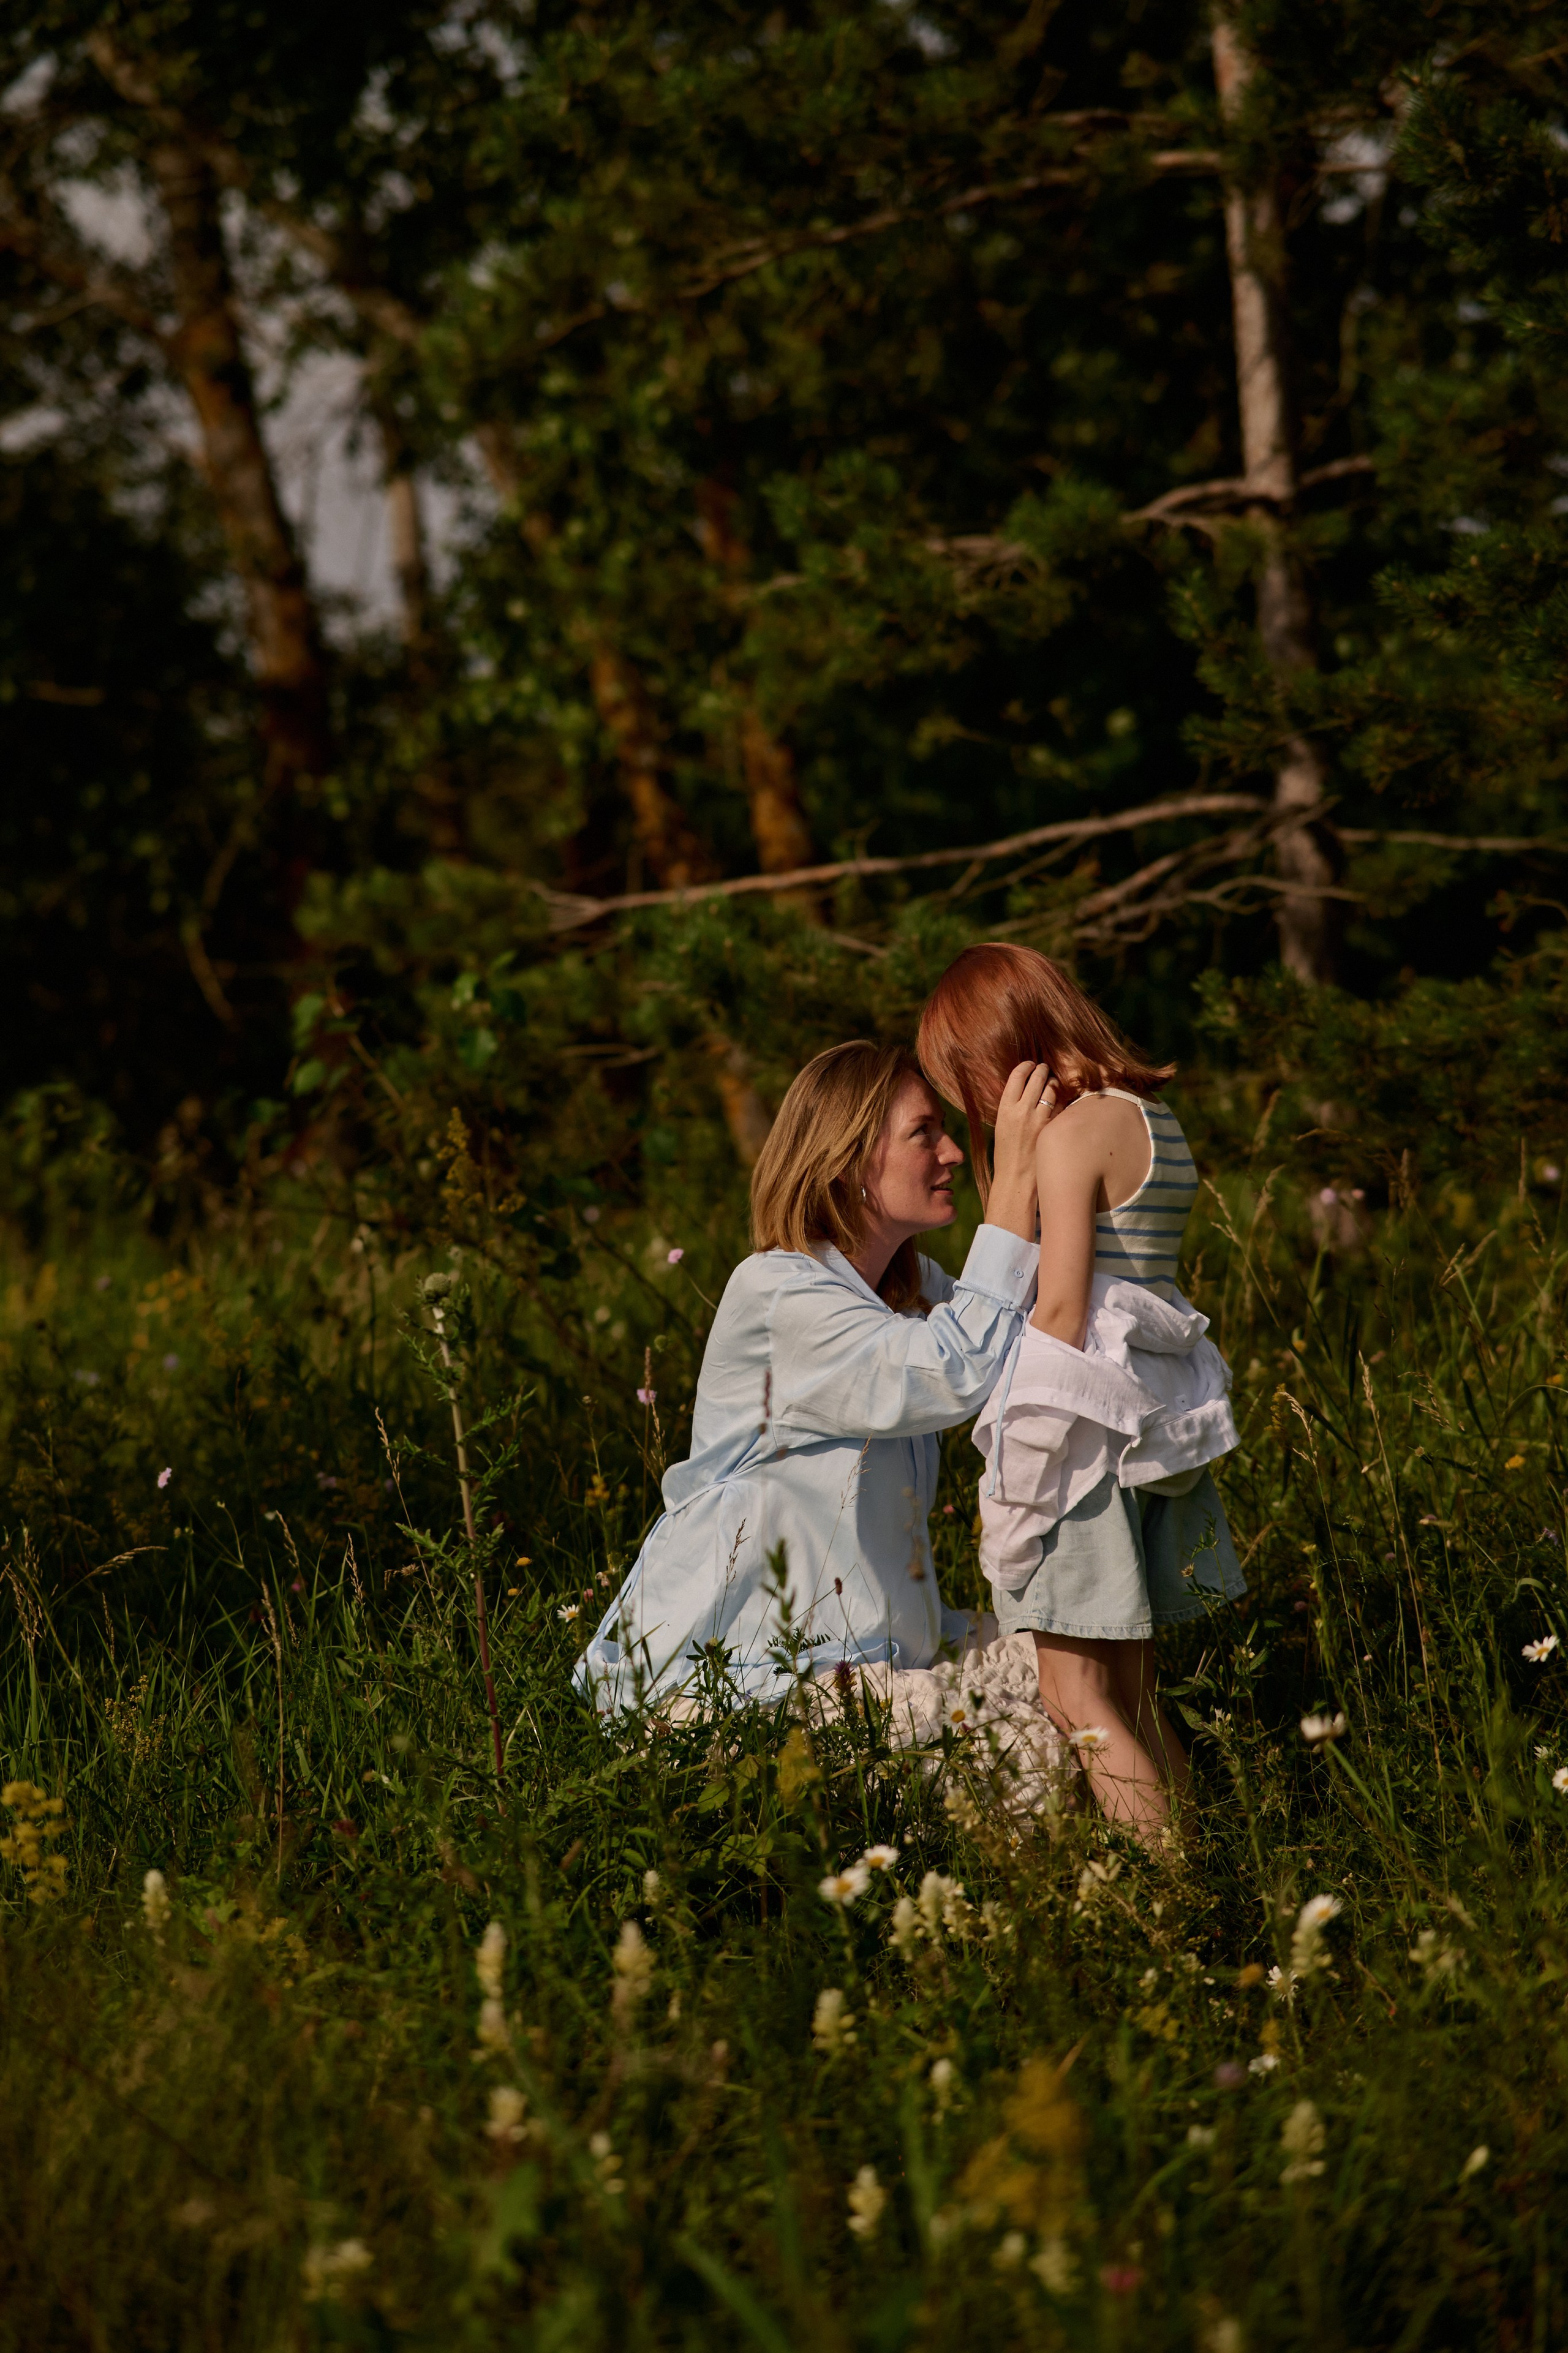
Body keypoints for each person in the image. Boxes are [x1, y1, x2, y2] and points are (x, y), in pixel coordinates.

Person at [576, 1041, 1056, 1712]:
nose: (950, 1153)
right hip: (747, 1671)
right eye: (925, 1132)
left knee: (1087, 1667)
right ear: (849, 1160)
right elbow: (950, 1369)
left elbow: (1022, 1334)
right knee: (1030, 1749)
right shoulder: (779, 1293)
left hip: (876, 1651)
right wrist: (1012, 1187)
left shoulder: (904, 1289)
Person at [918, 944, 1243, 1840]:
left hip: (1083, 1444)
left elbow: (1059, 1310)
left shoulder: (1065, 1138)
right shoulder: (1149, 1117)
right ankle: (1205, 1872)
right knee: (1134, 1694)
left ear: (1003, 1044)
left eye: (966, 1079)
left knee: (1074, 1693)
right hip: (1148, 1430)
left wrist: (1011, 1473)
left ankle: (1171, 1907)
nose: (968, 1108)